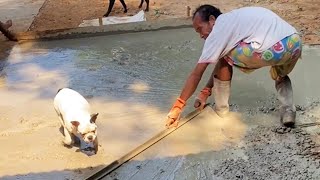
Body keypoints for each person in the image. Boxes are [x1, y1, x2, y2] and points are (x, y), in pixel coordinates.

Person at [165, 5, 302, 128]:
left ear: (212, 20)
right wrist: (205, 92)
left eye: (200, 29)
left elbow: (197, 73)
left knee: (224, 57)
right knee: (279, 73)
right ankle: (288, 111)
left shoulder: (219, 27)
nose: (201, 35)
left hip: (269, 50)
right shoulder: (236, 20)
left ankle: (221, 112)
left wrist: (178, 106)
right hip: (294, 44)